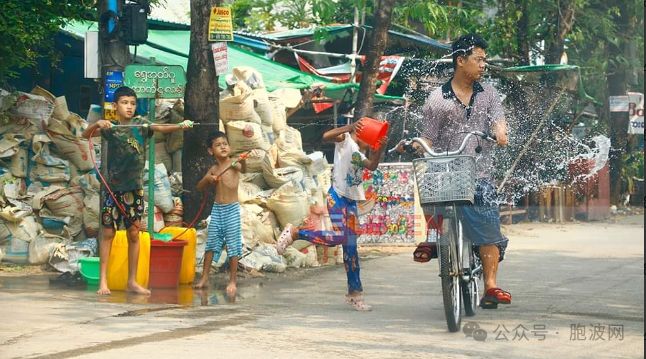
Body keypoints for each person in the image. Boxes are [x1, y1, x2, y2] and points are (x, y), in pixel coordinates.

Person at [401, 34, 511, 309]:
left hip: (479, 174)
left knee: (488, 230)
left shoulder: (489, 94)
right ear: (461, 61)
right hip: (445, 171)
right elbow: (428, 137)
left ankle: (490, 286)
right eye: (479, 59)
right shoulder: (437, 99)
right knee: (426, 181)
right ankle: (433, 238)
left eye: (485, 59)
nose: (483, 64)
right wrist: (417, 144)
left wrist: (500, 130)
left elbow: (499, 119)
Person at [82, 86, 194, 296]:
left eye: (132, 103)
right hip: (113, 189)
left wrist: (180, 125)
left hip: (134, 190)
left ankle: (132, 282)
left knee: (134, 233)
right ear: (115, 107)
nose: (129, 107)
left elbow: (160, 128)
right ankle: (103, 282)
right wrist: (97, 123)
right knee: (107, 233)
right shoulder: (110, 128)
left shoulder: (142, 126)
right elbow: (85, 135)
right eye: (125, 103)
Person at [276, 118, 388, 311]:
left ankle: (355, 293)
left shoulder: (359, 154)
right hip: (336, 198)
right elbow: (326, 136)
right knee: (342, 237)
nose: (372, 143)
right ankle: (296, 233)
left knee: (351, 249)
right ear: (362, 133)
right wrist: (351, 127)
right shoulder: (346, 140)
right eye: (372, 139)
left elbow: (372, 166)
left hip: (351, 202)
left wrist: (380, 150)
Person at [193, 131, 247, 296]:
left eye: (225, 144)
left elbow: (243, 169)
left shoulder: (234, 164)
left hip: (231, 208)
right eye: (218, 145)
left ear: (229, 146)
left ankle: (232, 281)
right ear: (211, 151)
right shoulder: (214, 169)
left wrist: (243, 161)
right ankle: (204, 278)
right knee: (211, 244)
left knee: (233, 245)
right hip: (217, 209)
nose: (223, 147)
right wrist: (208, 179)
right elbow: (199, 187)